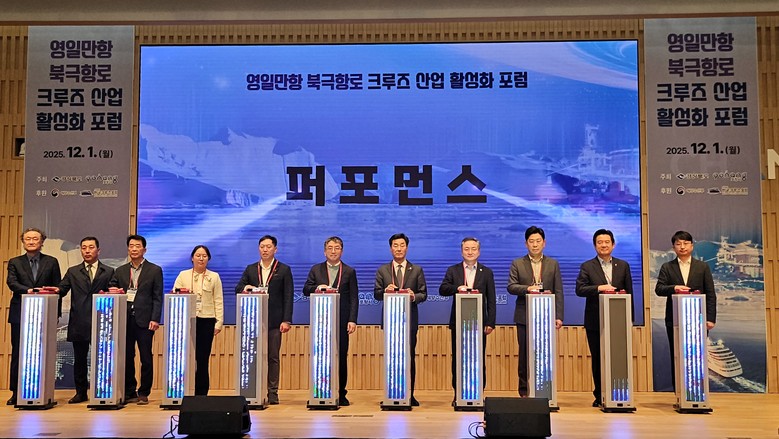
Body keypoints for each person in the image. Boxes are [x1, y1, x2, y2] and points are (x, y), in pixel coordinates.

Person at [575, 229, 634, 407]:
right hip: (595, 320)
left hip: (618, 322)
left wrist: (630, 318)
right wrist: (599, 288)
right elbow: (580, 290)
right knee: (598, 358)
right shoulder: (587, 266)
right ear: (595, 246)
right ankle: (599, 394)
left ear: (613, 244)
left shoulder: (623, 266)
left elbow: (629, 293)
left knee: (618, 357)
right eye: (600, 242)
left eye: (607, 242)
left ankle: (619, 392)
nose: (603, 245)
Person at [5, 228, 62, 406]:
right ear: (23, 242)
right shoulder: (15, 262)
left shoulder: (51, 262)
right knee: (18, 352)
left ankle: (41, 390)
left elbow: (57, 289)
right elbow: (11, 282)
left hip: (44, 313)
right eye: (27, 239)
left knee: (42, 352)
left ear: (42, 242)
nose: (31, 242)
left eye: (35, 239)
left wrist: (57, 313)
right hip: (20, 312)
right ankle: (16, 392)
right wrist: (29, 291)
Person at [235, 235, 294, 405]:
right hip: (253, 323)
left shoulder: (284, 269)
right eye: (262, 246)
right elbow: (238, 288)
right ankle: (253, 390)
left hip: (275, 321)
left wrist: (286, 320)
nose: (265, 249)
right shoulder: (251, 269)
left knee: (273, 357)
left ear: (275, 249)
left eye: (268, 246)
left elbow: (288, 296)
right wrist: (246, 287)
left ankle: (272, 392)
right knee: (252, 357)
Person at [654, 230, 716, 391]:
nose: (682, 247)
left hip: (698, 320)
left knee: (697, 356)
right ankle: (679, 393)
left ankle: (697, 393)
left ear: (692, 246)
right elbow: (659, 289)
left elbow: (710, 294)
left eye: (685, 243)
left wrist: (710, 319)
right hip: (675, 320)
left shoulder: (702, 267)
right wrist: (674, 288)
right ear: (673, 247)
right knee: (677, 355)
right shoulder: (667, 267)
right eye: (678, 244)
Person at [507, 225, 564, 397]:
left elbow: (558, 291)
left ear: (544, 243)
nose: (535, 244)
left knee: (544, 354)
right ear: (526, 244)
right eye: (531, 241)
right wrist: (528, 288)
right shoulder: (517, 263)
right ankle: (524, 391)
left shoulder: (553, 264)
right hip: (524, 316)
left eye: (538, 241)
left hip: (545, 316)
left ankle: (544, 390)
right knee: (525, 355)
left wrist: (558, 316)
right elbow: (511, 287)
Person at [438, 237, 496, 404]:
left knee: (478, 358)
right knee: (458, 358)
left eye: (473, 249)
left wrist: (490, 322)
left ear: (479, 251)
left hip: (479, 323)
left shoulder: (487, 272)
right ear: (461, 251)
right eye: (466, 249)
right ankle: (458, 393)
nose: (470, 252)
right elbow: (443, 289)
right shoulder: (453, 270)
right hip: (459, 322)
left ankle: (478, 392)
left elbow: (491, 300)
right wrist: (457, 288)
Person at [302, 236, 359, 406]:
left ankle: (341, 393)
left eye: (337, 248)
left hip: (342, 321)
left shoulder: (349, 271)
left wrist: (352, 319)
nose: (333, 251)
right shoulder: (316, 269)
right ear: (324, 251)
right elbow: (306, 289)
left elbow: (354, 298)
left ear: (342, 251)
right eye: (330, 248)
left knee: (341, 357)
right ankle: (320, 391)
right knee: (321, 357)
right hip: (321, 321)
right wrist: (317, 288)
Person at [58, 236, 114, 404]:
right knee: (80, 359)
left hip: (102, 322)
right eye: (84, 248)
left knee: (103, 359)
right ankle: (80, 392)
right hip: (79, 321)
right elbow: (62, 289)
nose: (87, 251)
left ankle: (102, 390)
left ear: (98, 250)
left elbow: (114, 292)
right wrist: (54, 290)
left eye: (91, 247)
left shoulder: (109, 271)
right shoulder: (73, 271)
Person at [373, 233, 427, 406]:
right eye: (395, 245)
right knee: (392, 358)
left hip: (409, 322)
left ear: (407, 248)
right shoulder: (383, 270)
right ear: (391, 248)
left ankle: (410, 394)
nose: (398, 248)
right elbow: (376, 294)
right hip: (391, 322)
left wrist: (413, 296)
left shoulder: (416, 270)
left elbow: (423, 294)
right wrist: (385, 291)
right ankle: (391, 393)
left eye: (402, 245)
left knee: (409, 358)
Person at [110, 234, 163, 405]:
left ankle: (144, 392)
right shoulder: (120, 271)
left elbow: (157, 297)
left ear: (144, 250)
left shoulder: (154, 270)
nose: (134, 249)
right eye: (131, 246)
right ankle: (130, 391)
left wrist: (155, 318)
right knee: (127, 356)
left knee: (146, 357)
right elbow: (113, 288)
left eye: (137, 246)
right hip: (124, 319)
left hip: (145, 320)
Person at [173, 245, 224, 396]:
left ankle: (201, 394)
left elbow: (218, 300)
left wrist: (219, 322)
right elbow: (175, 295)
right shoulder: (183, 275)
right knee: (184, 357)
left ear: (208, 259)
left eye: (204, 256)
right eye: (198, 255)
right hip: (186, 321)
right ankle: (183, 391)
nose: (201, 258)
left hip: (206, 320)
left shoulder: (214, 276)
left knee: (202, 359)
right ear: (192, 258)